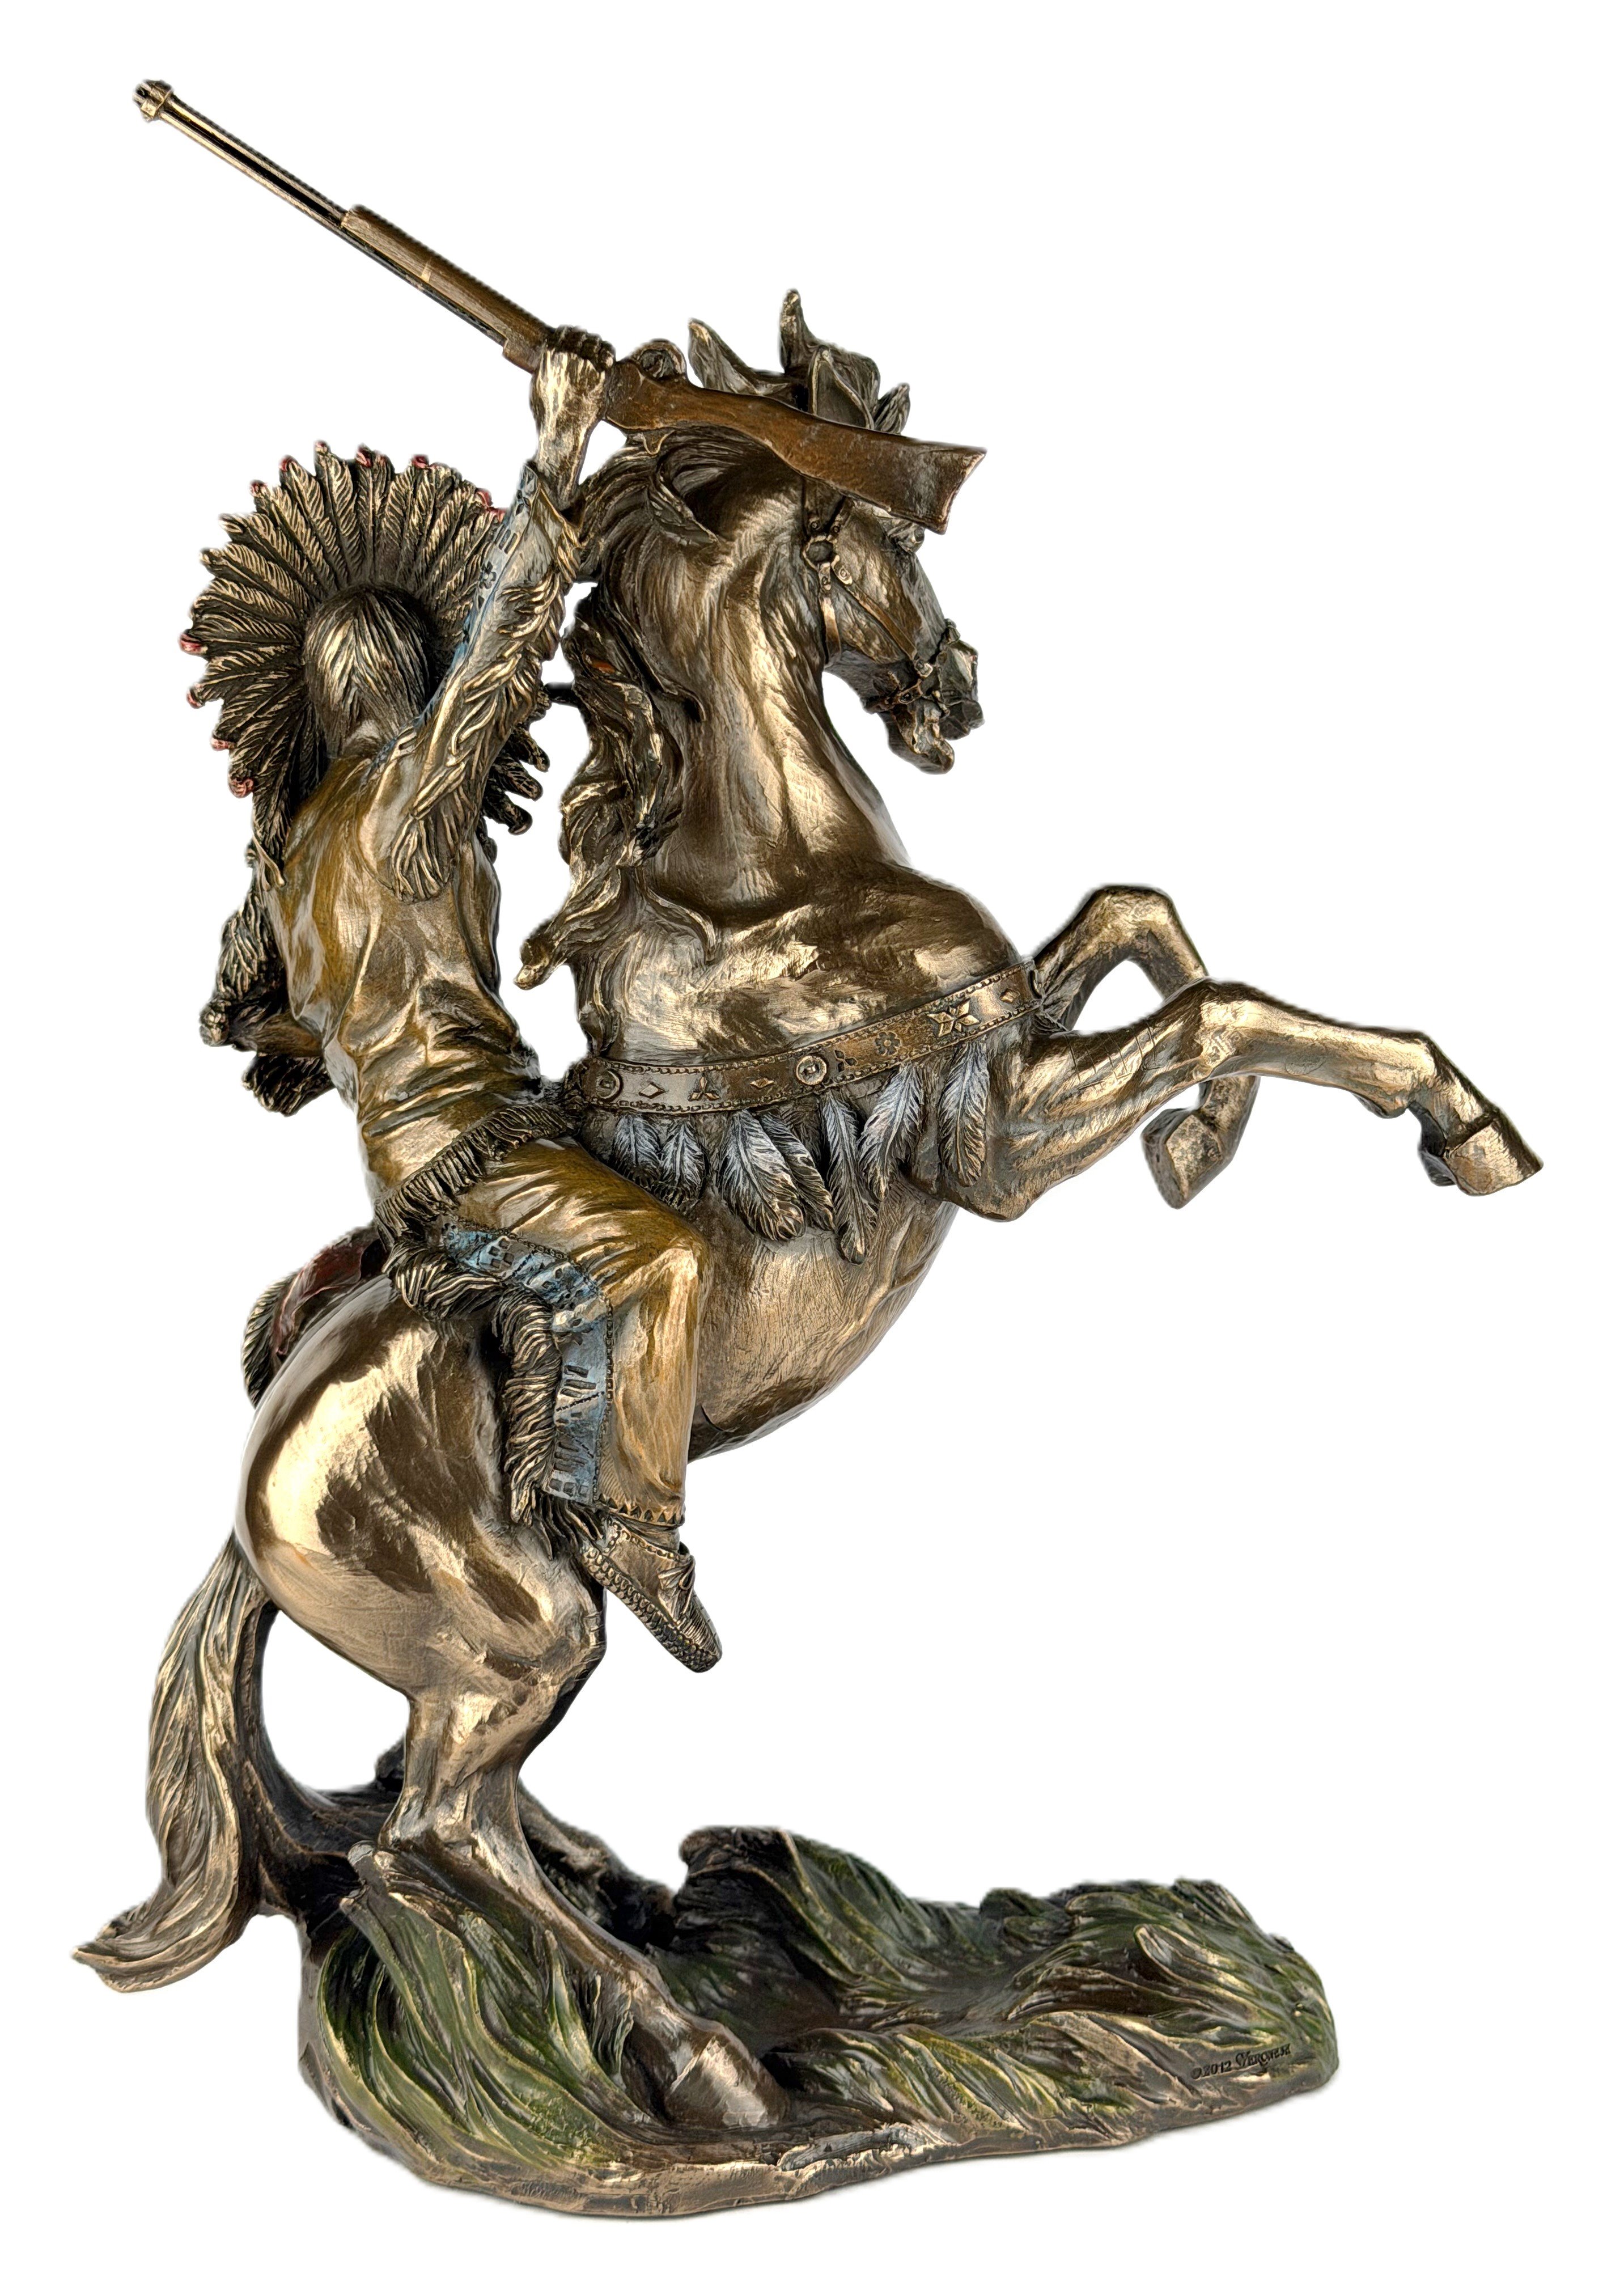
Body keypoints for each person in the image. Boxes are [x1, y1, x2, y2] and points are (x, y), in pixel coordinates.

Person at [207, 329, 720, 1670]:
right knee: (661, 1259)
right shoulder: (405, 803)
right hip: (477, 1148)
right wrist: (556, 446)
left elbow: (257, 1027)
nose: (437, 690)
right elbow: (501, 650)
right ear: (394, 677)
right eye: (415, 669)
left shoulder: (292, 860)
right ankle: (628, 1522)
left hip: (413, 1153)